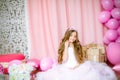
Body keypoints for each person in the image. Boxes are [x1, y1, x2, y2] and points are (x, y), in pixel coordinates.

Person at [35, 27, 117, 80]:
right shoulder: (65, 45)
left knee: (92, 74)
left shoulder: (76, 45)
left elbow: (79, 57)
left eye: (74, 36)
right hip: (67, 66)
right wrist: (66, 47)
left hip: (78, 64)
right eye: (71, 36)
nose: (73, 38)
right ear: (68, 36)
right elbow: (64, 59)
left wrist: (78, 65)